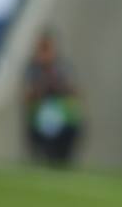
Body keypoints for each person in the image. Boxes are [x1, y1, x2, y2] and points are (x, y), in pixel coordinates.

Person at [24, 31, 81, 165]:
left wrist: (58, 85)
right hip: (40, 119)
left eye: (47, 49)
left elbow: (74, 91)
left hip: (64, 118)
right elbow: (27, 96)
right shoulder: (32, 70)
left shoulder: (62, 67)